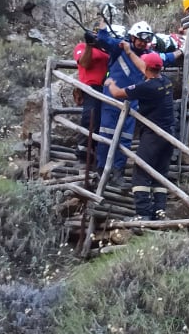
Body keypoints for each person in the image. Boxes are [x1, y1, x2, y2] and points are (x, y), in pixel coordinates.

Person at [95, 20, 181, 188]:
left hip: (131, 101)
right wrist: (102, 25)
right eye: (140, 40)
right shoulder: (120, 47)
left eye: (145, 40)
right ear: (133, 37)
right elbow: (104, 40)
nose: (142, 43)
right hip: (112, 100)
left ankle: (118, 173)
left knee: (125, 138)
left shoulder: (147, 55)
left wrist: (181, 51)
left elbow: (164, 59)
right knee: (106, 135)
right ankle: (101, 171)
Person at [107, 52, 175, 222]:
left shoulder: (147, 87)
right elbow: (143, 66)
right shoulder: (166, 81)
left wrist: (110, 83)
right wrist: (129, 51)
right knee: (160, 172)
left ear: (147, 68)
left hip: (153, 134)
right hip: (168, 134)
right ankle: (159, 212)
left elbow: (117, 93)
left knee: (141, 172)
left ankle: (143, 213)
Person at [72, 26, 115, 165]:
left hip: (106, 88)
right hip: (90, 87)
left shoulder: (106, 50)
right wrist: (89, 45)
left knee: (102, 121)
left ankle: (97, 153)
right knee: (90, 118)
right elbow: (84, 63)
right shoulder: (81, 47)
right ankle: (83, 153)